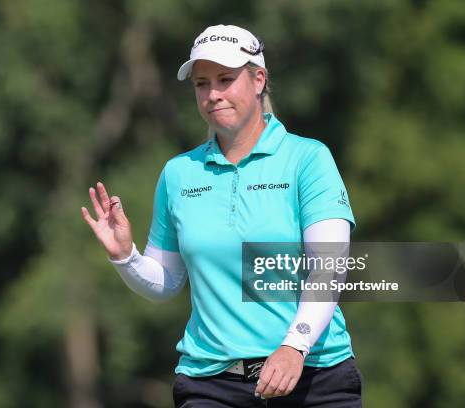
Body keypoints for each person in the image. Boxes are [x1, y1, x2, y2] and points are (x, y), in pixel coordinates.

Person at [81, 24, 362, 407]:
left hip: (312, 375)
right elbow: (165, 283)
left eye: (226, 80)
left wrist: (294, 346)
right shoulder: (179, 174)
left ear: (258, 80)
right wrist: (125, 256)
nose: (213, 95)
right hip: (211, 384)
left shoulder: (307, 159)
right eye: (202, 84)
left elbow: (328, 267)